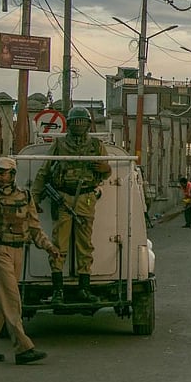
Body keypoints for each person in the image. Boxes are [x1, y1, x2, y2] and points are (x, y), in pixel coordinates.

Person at [0, 156, 61, 365]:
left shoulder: (25, 196)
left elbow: (34, 228)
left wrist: (49, 247)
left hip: (18, 251)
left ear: (12, 175)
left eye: (3, 173)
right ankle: (23, 348)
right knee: (11, 299)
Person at [31, 106, 111, 304]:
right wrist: (35, 197)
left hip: (86, 198)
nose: (78, 126)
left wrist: (105, 168)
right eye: (75, 122)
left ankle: (84, 287)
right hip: (63, 197)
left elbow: (106, 171)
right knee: (59, 243)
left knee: (85, 245)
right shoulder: (59, 144)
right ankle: (58, 290)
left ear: (87, 125)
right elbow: (44, 171)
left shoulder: (96, 145)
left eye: (81, 123)